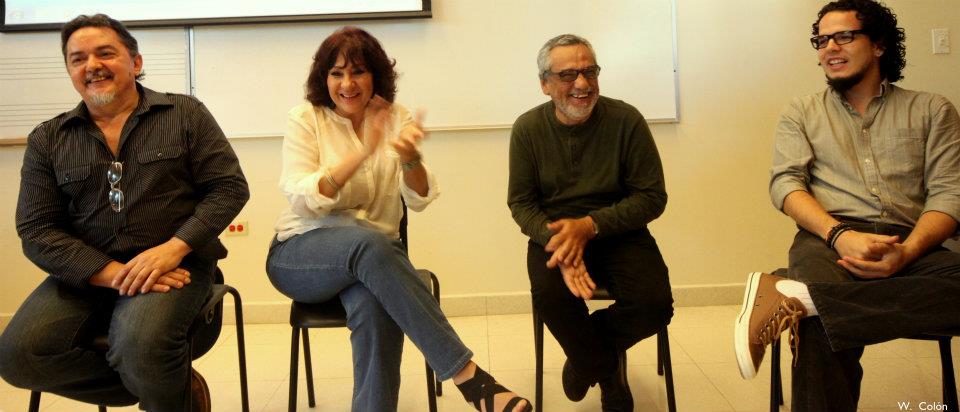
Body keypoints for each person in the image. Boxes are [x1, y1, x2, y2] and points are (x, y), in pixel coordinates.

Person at [265, 26, 531, 412]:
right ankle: (469, 377)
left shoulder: (395, 116)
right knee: (369, 242)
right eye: (337, 73)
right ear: (324, 78)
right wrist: (362, 153)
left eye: (358, 72)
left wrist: (410, 159)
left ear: (376, 75)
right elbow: (303, 199)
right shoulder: (306, 118)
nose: (347, 83)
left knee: (375, 304)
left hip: (373, 264)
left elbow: (420, 198)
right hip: (302, 256)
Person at [0, 14, 249, 412]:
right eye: (77, 58)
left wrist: (173, 247)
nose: (92, 65)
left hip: (175, 267)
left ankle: (160, 386)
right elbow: (37, 228)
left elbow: (229, 188)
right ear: (70, 71)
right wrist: (114, 274)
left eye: (105, 53)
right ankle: (172, 386)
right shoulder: (48, 139)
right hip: (88, 275)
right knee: (17, 356)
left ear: (135, 62)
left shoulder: (185, 114)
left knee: (140, 347)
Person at [734, 1, 960, 410]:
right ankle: (809, 300)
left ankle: (795, 298)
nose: (829, 48)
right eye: (821, 40)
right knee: (817, 332)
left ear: (878, 44)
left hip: (912, 239)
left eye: (844, 36)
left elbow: (950, 194)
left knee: (815, 311)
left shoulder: (932, 110)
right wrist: (840, 235)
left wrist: (906, 252)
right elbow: (786, 184)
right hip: (827, 238)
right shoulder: (801, 112)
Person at [508, 33, 674, 411]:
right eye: (568, 75)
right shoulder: (527, 130)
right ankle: (608, 370)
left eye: (590, 71)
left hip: (619, 233)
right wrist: (561, 243)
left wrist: (590, 226)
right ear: (545, 84)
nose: (582, 84)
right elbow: (521, 203)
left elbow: (652, 196)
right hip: (555, 235)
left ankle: (586, 360)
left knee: (655, 304)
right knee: (552, 298)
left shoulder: (626, 120)